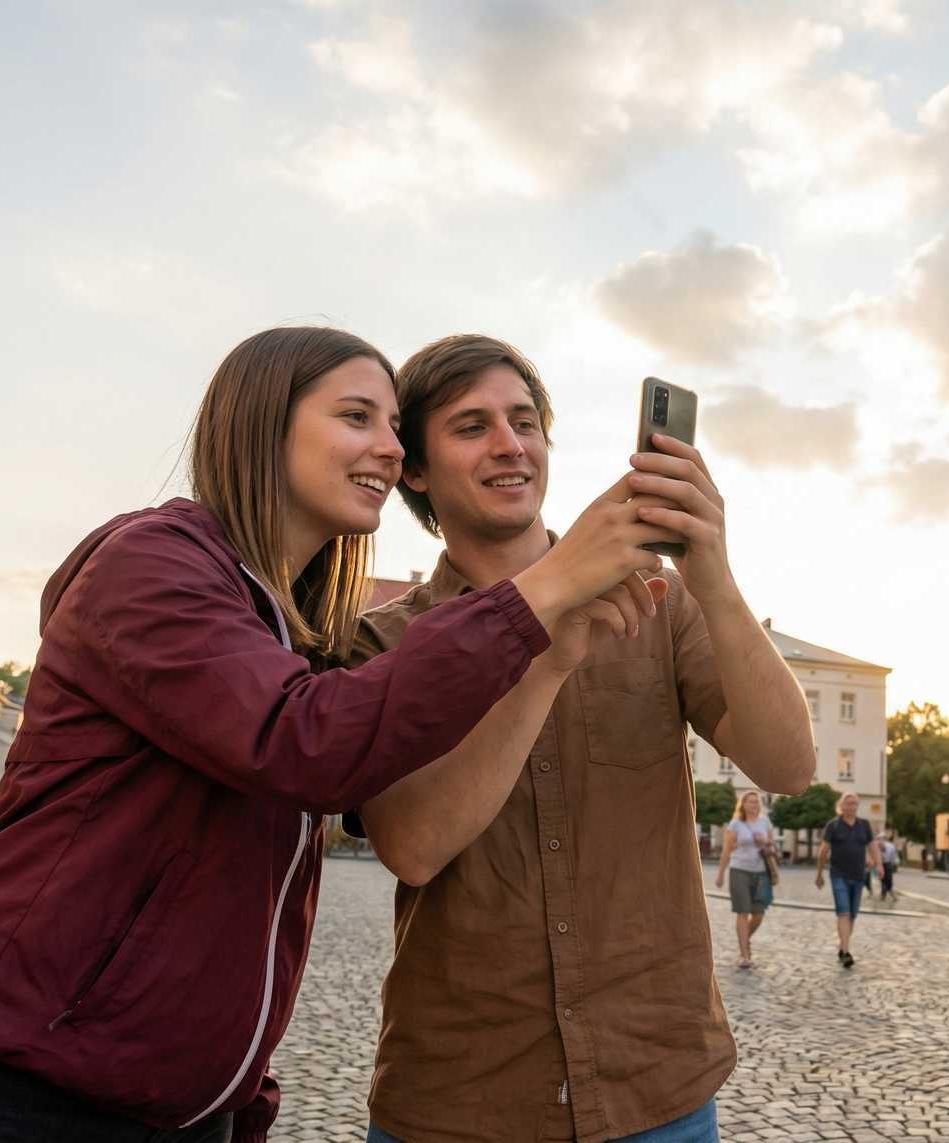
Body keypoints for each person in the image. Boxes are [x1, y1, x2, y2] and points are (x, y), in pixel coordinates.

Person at [0, 326, 664, 1143]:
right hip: (7, 1088)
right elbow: (304, 742)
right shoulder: (153, 560)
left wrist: (240, 1092)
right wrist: (542, 592)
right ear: (264, 423)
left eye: (395, 430)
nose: (388, 450)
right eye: (357, 417)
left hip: (174, 1102)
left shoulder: (282, 624)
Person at [346, 334, 815, 1143]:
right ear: (414, 469)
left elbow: (789, 762)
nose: (510, 445)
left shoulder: (660, 601)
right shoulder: (382, 640)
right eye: (471, 426)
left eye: (525, 421)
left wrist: (714, 574)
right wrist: (545, 658)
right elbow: (414, 845)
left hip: (657, 1086)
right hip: (462, 1099)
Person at [815, 792, 881, 968]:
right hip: (838, 875)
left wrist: (879, 865)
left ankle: (842, 946)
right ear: (841, 806)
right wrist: (819, 874)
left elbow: (873, 846)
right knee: (843, 912)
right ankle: (846, 951)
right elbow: (823, 852)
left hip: (858, 876)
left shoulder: (864, 825)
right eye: (848, 803)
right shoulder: (833, 826)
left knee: (852, 915)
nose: (851, 806)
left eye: (854, 804)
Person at [716, 790, 778, 969]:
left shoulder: (765, 823)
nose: (753, 805)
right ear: (743, 805)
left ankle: (745, 940)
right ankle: (744, 955)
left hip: (761, 872)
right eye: (750, 802)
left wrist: (765, 843)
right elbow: (726, 851)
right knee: (742, 912)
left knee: (758, 914)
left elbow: (773, 849)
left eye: (756, 802)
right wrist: (721, 874)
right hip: (739, 870)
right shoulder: (735, 824)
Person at [878, 831, 899, 901]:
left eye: (881, 838)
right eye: (879, 838)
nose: (880, 840)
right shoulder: (879, 845)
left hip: (887, 864)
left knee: (887, 880)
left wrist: (895, 863)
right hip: (882, 864)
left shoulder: (890, 846)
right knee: (883, 880)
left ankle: (886, 895)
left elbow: (894, 855)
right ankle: (885, 895)